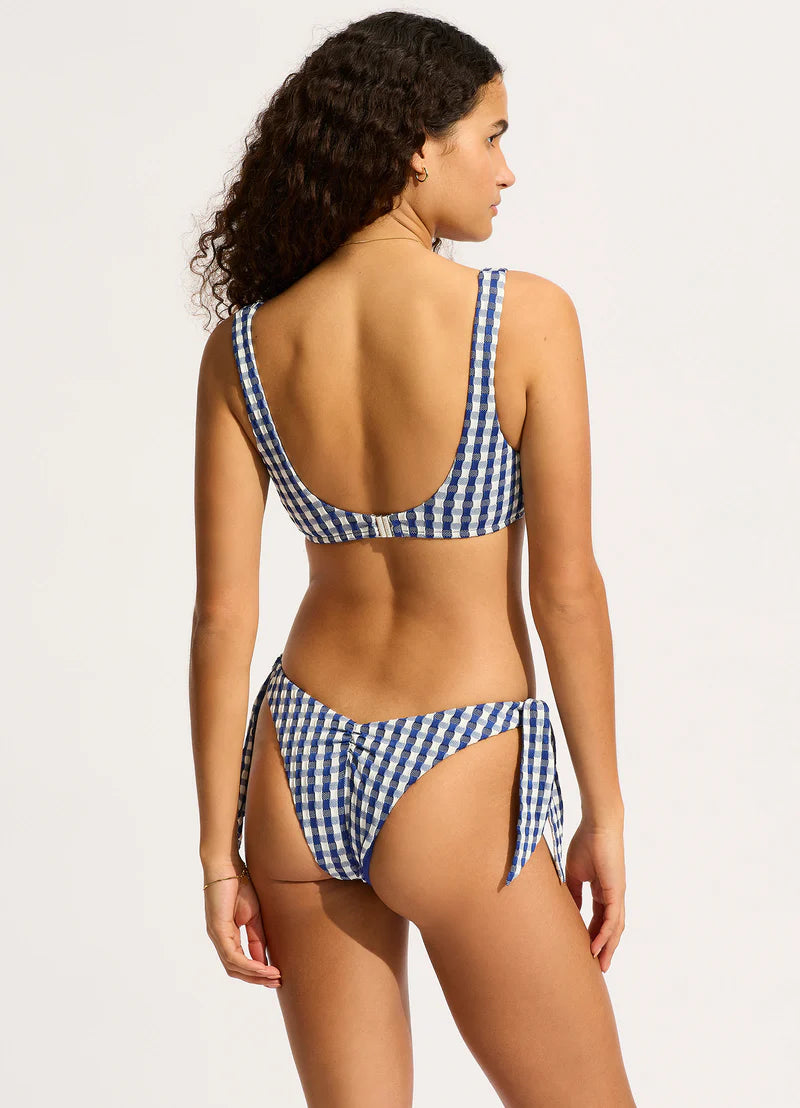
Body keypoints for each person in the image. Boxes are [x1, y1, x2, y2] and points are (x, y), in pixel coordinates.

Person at [188, 11, 635, 1107]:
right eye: (491, 136)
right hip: (458, 759)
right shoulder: (520, 319)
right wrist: (604, 810)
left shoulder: (246, 346)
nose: (507, 170)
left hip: (297, 765)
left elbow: (221, 617)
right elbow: (565, 590)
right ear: (415, 146)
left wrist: (217, 854)